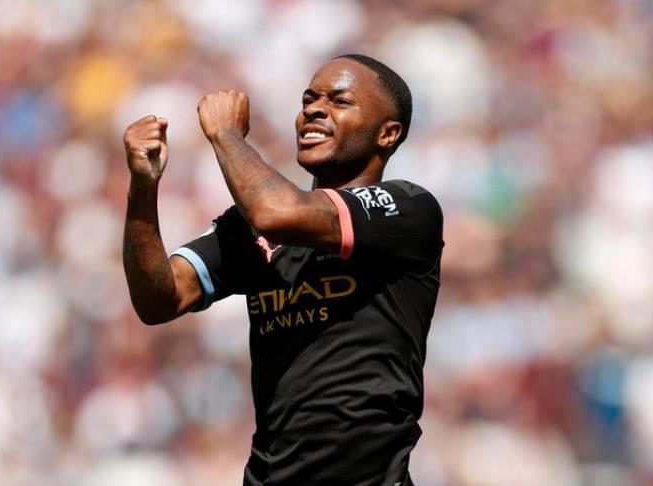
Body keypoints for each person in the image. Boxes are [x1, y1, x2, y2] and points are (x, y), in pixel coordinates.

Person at [122, 54, 443, 486]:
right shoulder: (252, 229)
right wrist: (142, 188)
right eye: (309, 99)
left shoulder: (407, 209)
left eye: (339, 101)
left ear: (387, 133)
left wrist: (226, 134)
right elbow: (158, 299)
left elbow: (278, 212)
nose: (314, 109)